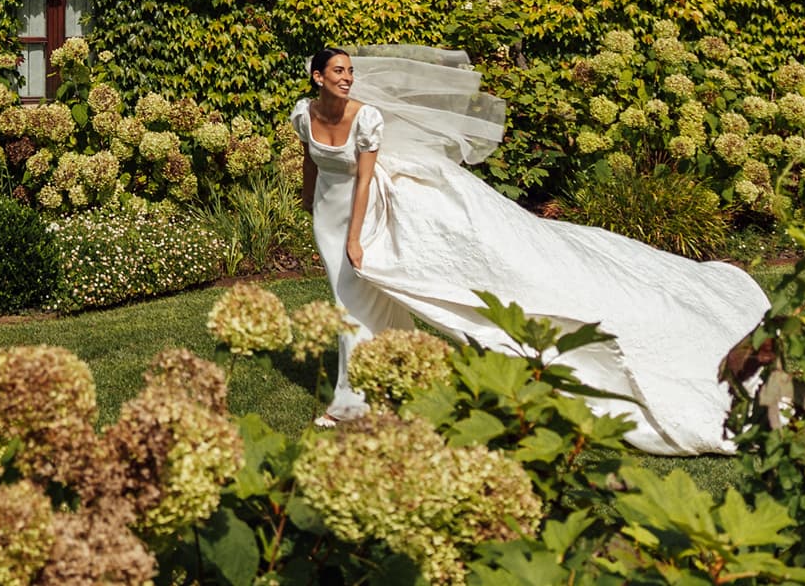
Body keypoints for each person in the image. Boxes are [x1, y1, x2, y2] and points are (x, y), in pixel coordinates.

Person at [293, 44, 769, 455]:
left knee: (351, 304)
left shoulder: (367, 119)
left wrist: (355, 237)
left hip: (368, 214)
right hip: (327, 216)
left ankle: (353, 404)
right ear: (318, 77)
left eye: (350, 71)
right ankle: (392, 381)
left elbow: (363, 182)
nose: (347, 78)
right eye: (338, 71)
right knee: (358, 301)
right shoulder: (304, 114)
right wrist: (308, 199)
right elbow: (312, 163)